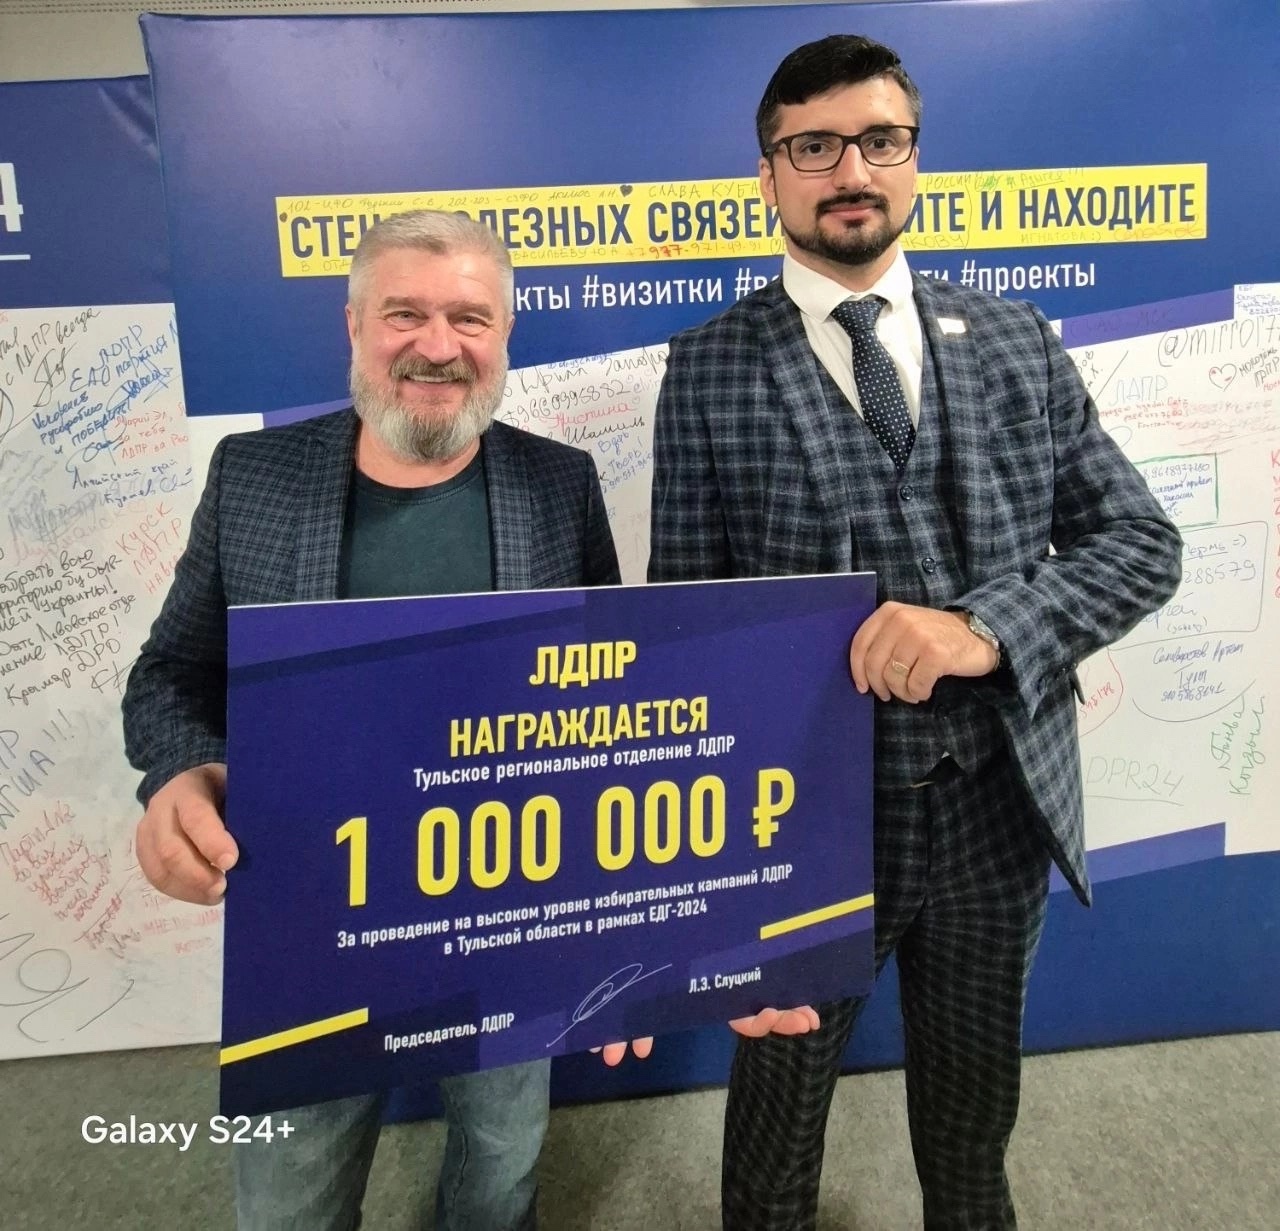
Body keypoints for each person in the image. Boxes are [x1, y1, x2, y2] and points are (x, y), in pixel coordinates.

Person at [648, 34, 1183, 1231]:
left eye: (878, 140)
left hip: (997, 808)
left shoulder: (1014, 338)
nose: (851, 170)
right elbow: (685, 629)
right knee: (773, 1142)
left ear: (912, 157)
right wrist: (703, 889)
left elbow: (1141, 545)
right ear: (768, 176)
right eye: (813, 146)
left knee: (971, 1131)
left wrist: (985, 627)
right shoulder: (706, 367)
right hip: (797, 827)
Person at [124, 209, 642, 1231]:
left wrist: (625, 923)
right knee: (290, 1196)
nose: (437, 345)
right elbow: (171, 671)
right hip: (307, 914)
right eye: (405, 313)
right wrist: (178, 774)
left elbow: (605, 713)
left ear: (503, 334)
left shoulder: (560, 485)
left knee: (499, 1170)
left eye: (469, 318)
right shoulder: (252, 476)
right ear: (354, 323)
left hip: (510, 910)